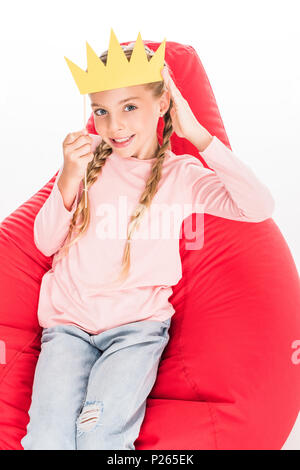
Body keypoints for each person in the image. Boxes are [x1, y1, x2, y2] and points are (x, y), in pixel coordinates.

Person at [21, 43, 275, 450]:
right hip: (68, 328)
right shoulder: (90, 165)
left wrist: (198, 134)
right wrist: (69, 176)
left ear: (162, 104)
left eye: (130, 108)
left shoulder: (182, 176)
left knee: (99, 436)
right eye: (101, 111)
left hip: (135, 332)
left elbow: (258, 207)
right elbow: (45, 241)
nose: (114, 125)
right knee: (46, 440)